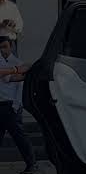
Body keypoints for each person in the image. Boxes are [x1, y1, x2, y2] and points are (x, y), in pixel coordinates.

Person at [0, 35, 38, 174]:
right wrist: (16, 70)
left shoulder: (17, 62)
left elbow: (20, 87)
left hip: (10, 106)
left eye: (5, 46)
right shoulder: (17, 66)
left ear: (11, 47)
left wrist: (16, 107)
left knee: (20, 138)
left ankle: (31, 165)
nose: (2, 50)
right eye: (0, 47)